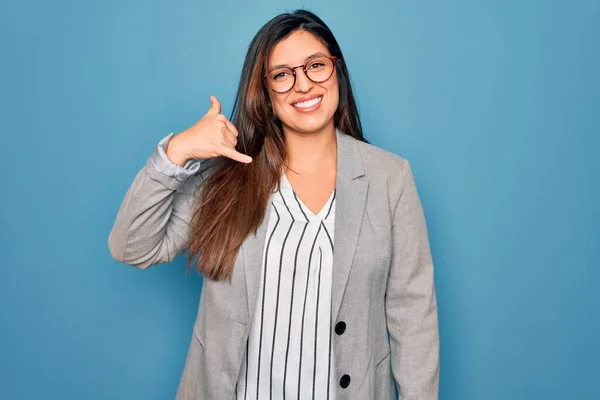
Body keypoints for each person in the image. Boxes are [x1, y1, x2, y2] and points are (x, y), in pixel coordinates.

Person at [108, 9, 439, 400]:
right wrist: (177, 152)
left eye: (315, 65)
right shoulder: (226, 176)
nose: (303, 85)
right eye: (282, 74)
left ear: (337, 72)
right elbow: (132, 246)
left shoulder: (390, 177)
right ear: (264, 92)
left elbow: (413, 314)